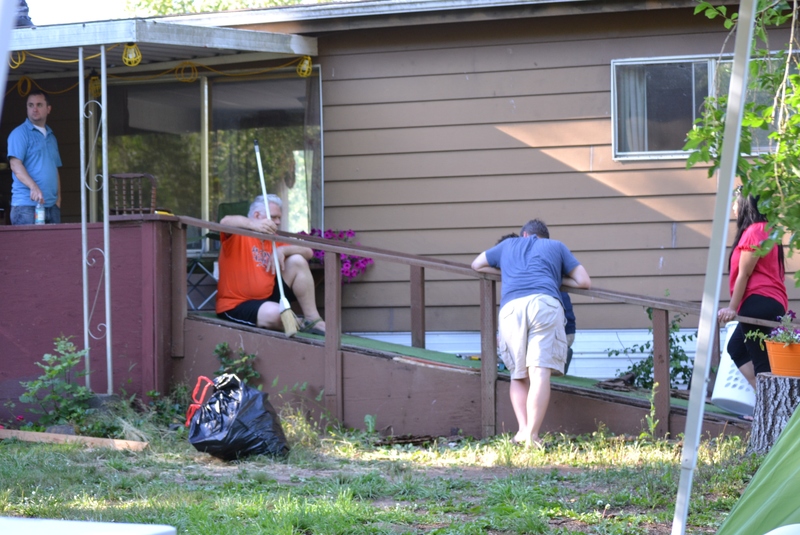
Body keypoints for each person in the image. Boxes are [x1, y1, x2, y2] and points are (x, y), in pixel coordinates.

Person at [473, 219, 590, 446]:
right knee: (540, 372)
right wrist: (555, 277)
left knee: (518, 374)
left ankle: (523, 430)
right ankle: (533, 436)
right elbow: (584, 281)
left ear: (524, 235)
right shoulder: (556, 246)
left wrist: (506, 271)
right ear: (540, 237)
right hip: (544, 304)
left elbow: (476, 265)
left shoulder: (508, 246)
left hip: (512, 308)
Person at [215, 194, 326, 335]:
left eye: (279, 218)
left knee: (297, 260)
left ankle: (312, 319)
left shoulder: (273, 237)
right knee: (276, 313)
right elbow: (225, 221)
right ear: (256, 215)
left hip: (269, 297)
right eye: (274, 217)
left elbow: (308, 252)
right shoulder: (238, 233)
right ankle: (299, 323)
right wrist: (253, 225)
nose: (278, 222)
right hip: (237, 304)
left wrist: (283, 249)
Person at [717, 188, 787, 388]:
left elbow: (744, 273)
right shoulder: (769, 229)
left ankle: (770, 415)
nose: (733, 207)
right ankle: (764, 403)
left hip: (758, 301)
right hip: (771, 301)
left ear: (746, 204)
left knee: (762, 365)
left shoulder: (755, 231)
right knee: (737, 348)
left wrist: (732, 307)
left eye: (736, 202)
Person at [496, 232, 577, 372]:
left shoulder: (522, 269)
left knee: (524, 370)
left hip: (556, 327)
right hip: (558, 324)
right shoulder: (544, 257)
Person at [7, 89, 61, 225]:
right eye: (30, 105)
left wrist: (58, 200)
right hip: (26, 206)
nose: (34, 109)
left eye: (39, 105)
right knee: (29, 247)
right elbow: (15, 165)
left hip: (51, 206)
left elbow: (55, 169)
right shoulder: (19, 133)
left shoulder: (51, 136)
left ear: (48, 109)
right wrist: (33, 186)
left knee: (54, 247)